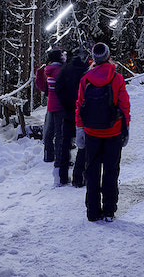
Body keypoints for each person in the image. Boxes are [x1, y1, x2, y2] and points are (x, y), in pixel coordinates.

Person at [75, 42, 130, 222]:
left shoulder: (86, 79)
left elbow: (80, 105)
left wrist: (80, 128)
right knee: (111, 171)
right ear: (107, 56)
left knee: (91, 172)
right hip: (113, 131)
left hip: (92, 132)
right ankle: (109, 211)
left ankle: (92, 211)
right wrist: (125, 127)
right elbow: (124, 105)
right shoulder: (117, 77)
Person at [54, 43, 91, 186]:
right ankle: (79, 176)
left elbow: (59, 88)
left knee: (65, 144)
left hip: (68, 112)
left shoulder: (65, 69)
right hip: (82, 113)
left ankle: (63, 176)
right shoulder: (85, 71)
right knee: (84, 145)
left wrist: (65, 104)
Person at [35, 46, 66, 167]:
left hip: (51, 106)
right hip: (62, 107)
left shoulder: (46, 71)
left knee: (48, 132)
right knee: (60, 134)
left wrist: (39, 73)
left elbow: (42, 87)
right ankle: (59, 158)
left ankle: (48, 156)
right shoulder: (62, 71)